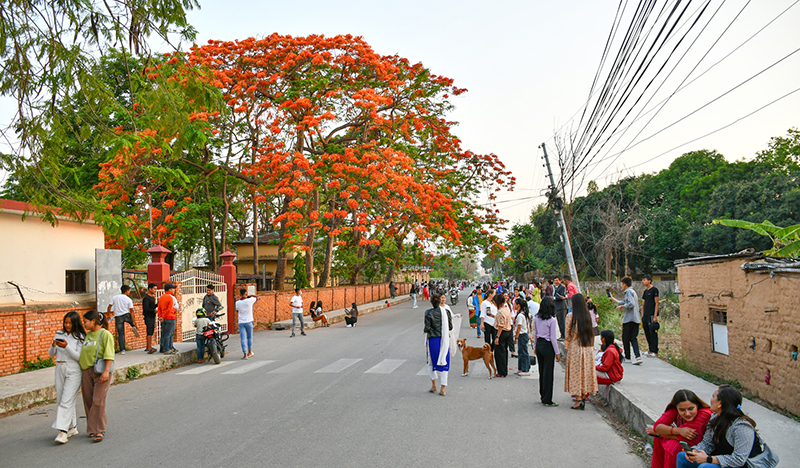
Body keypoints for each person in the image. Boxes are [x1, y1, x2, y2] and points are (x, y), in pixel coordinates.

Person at [677, 385, 761, 468]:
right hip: (724, 461)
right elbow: (707, 443)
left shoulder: (742, 426)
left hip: (743, 465)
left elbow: (739, 460)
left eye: (713, 397)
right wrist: (695, 451)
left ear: (719, 403)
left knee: (705, 467)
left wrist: (708, 459)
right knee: (682, 456)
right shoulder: (715, 417)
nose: (711, 400)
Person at [646, 389, 713, 468]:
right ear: (676, 408)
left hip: (707, 453)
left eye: (691, 409)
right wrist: (678, 430)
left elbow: (690, 438)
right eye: (682, 410)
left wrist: (659, 433)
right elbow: (658, 426)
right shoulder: (676, 411)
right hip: (692, 447)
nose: (687, 413)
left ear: (697, 406)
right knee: (659, 438)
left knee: (673, 446)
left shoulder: (703, 415)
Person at [49, 311, 85, 444]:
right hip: (59, 367)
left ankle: (62, 432)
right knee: (61, 399)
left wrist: (67, 347)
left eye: (70, 323)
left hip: (73, 369)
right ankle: (72, 427)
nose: (67, 325)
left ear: (75, 323)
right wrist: (54, 346)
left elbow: (79, 357)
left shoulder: (80, 337)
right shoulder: (59, 334)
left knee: (67, 399)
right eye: (65, 322)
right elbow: (51, 353)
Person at [79, 310, 115, 443]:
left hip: (100, 371)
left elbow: (109, 353)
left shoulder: (105, 334)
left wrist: (106, 371)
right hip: (87, 370)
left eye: (86, 322)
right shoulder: (88, 335)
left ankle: (99, 429)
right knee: (88, 400)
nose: (84, 324)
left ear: (93, 321)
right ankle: (91, 428)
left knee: (98, 400)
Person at [564, 294, 598, 409]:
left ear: (573, 303)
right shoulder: (587, 315)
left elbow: (567, 334)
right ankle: (583, 396)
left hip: (575, 348)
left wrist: (567, 345)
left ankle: (578, 400)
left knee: (576, 374)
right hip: (588, 348)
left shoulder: (570, 316)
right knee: (585, 373)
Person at [533, 296, 560, 406]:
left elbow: (535, 333)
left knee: (542, 371)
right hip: (548, 346)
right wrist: (557, 352)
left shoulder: (536, 318)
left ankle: (542, 394)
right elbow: (553, 338)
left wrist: (535, 346)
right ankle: (547, 399)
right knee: (548, 373)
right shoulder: (552, 320)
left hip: (539, 344)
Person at [424, 293, 452, 396]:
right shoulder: (446, 312)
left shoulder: (428, 313)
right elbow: (450, 327)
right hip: (444, 340)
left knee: (432, 362)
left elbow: (426, 328)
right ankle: (443, 388)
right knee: (444, 361)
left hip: (433, 340)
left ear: (431, 302)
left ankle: (434, 385)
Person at [611, 276, 642, 365]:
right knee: (633, 338)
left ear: (624, 284)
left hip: (629, 319)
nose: (621, 286)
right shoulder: (633, 292)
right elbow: (623, 301)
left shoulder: (628, 291)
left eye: (621, 284)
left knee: (625, 338)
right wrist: (612, 298)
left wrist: (623, 307)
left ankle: (627, 357)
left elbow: (630, 304)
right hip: (636, 319)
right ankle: (638, 356)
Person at [107, 285, 136, 355]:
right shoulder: (128, 299)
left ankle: (122, 350)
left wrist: (108, 314)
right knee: (132, 322)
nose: (129, 292)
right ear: (126, 291)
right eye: (129, 290)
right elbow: (132, 310)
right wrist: (134, 320)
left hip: (118, 317)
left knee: (120, 334)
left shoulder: (115, 297)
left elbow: (109, 306)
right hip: (126, 315)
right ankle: (133, 326)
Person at [492, 294, 512, 378]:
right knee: (504, 352)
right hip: (508, 331)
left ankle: (501, 371)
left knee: (499, 353)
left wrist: (497, 337)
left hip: (502, 332)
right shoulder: (506, 309)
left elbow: (500, 325)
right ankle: (504, 370)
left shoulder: (500, 312)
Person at [641, 275, 660, 357]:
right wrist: (643, 315)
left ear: (649, 281)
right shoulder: (645, 292)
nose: (643, 281)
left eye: (644, 280)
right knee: (647, 332)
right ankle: (650, 349)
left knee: (653, 333)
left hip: (652, 315)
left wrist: (655, 316)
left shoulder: (654, 290)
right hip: (646, 315)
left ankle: (655, 351)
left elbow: (657, 303)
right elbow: (643, 304)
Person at [157, 283, 179, 355]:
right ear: (169, 289)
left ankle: (165, 348)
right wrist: (163, 317)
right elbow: (170, 309)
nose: (174, 290)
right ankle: (167, 349)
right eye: (173, 289)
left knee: (164, 333)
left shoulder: (161, 297)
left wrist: (160, 316)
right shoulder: (171, 297)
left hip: (163, 318)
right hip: (170, 317)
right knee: (169, 334)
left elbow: (159, 308)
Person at [235, 289, 257, 358]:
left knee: (243, 338)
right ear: (246, 293)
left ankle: (245, 354)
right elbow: (258, 297)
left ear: (240, 294)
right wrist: (251, 295)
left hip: (241, 322)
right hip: (249, 321)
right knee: (250, 337)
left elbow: (237, 310)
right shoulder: (249, 301)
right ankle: (250, 351)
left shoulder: (237, 303)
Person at [513, 297, 531, 376]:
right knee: (520, 352)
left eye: (515, 304)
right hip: (523, 334)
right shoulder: (522, 314)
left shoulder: (520, 315)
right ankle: (520, 368)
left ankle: (525, 369)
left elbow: (519, 327)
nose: (514, 305)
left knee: (523, 352)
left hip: (522, 335)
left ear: (518, 305)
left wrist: (516, 337)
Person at [142, 283, 158, 354]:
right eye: (154, 289)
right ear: (150, 289)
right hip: (148, 316)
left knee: (151, 331)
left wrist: (157, 304)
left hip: (152, 316)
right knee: (149, 331)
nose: (155, 290)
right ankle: (149, 347)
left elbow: (152, 306)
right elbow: (146, 309)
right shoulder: (146, 298)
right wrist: (154, 310)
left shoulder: (152, 297)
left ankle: (148, 346)